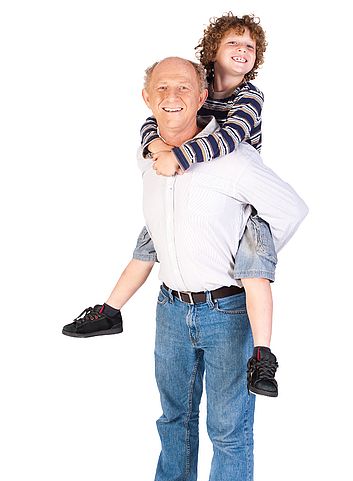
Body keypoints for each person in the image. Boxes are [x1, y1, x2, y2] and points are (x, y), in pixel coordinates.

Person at [123, 57, 308, 481]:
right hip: (170, 307)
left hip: (227, 309)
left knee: (229, 429)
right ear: (147, 97)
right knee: (173, 414)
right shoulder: (147, 156)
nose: (173, 94)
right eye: (163, 86)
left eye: (185, 85)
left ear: (204, 94)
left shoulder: (236, 158)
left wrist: (253, 256)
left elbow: (290, 209)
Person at [62, 13, 280, 397]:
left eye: (250, 46)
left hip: (242, 207)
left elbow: (229, 139)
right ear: (212, 52)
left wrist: (179, 157)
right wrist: (155, 145)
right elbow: (156, 121)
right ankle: (109, 312)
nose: (242, 51)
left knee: (254, 274)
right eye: (233, 43)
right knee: (147, 247)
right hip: (188, 199)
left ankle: (263, 355)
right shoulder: (197, 87)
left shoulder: (250, 97)